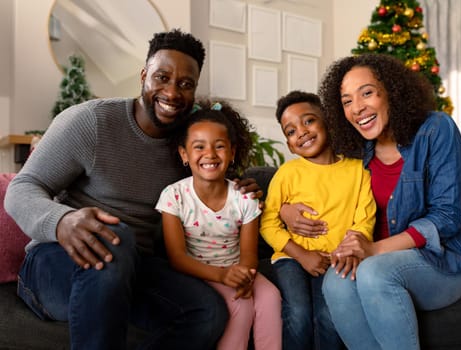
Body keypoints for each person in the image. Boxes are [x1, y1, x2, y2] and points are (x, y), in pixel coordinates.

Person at [4, 29, 261, 350]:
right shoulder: (92, 122)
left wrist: (238, 188)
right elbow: (23, 188)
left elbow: (208, 187)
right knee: (117, 237)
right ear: (143, 76)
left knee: (206, 312)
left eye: (185, 84)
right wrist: (62, 221)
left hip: (134, 267)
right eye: (162, 77)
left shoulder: (185, 144)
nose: (172, 91)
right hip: (56, 263)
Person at [279, 54, 461, 350]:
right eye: (347, 101)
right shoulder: (354, 147)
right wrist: (285, 210)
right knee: (336, 281)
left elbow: (447, 218)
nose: (357, 108)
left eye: (367, 93)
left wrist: (374, 249)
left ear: (391, 91)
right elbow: (312, 177)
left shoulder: (436, 129)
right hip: (377, 258)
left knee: (374, 272)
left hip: (440, 260)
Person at [155, 99, 282, 350]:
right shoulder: (174, 196)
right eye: (199, 147)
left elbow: (248, 253)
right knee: (241, 306)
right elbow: (178, 258)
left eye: (220, 146)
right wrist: (223, 276)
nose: (210, 155)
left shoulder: (244, 197)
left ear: (232, 152)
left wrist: (244, 275)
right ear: (184, 154)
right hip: (200, 272)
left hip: (238, 269)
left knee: (270, 297)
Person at [260, 90, 376, 350]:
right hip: (291, 258)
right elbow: (268, 223)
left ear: (328, 121)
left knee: (329, 316)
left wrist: (346, 251)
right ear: (289, 145)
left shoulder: (358, 171)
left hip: (337, 260)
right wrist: (301, 254)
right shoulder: (288, 173)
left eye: (308, 121)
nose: (301, 132)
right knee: (299, 313)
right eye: (290, 131)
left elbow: (364, 220)